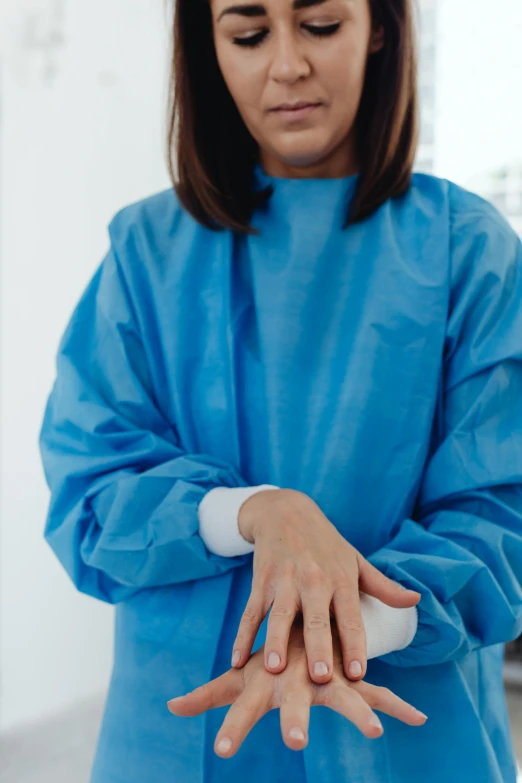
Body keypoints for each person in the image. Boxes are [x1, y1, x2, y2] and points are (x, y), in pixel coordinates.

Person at [37, 0, 522, 780]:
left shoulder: (469, 251)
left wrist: (334, 632)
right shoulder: (146, 253)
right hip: (185, 719)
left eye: (322, 25)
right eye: (249, 33)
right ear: (208, 48)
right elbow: (93, 490)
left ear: (382, 30)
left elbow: (502, 515)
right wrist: (258, 512)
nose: (287, 65)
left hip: (397, 726)